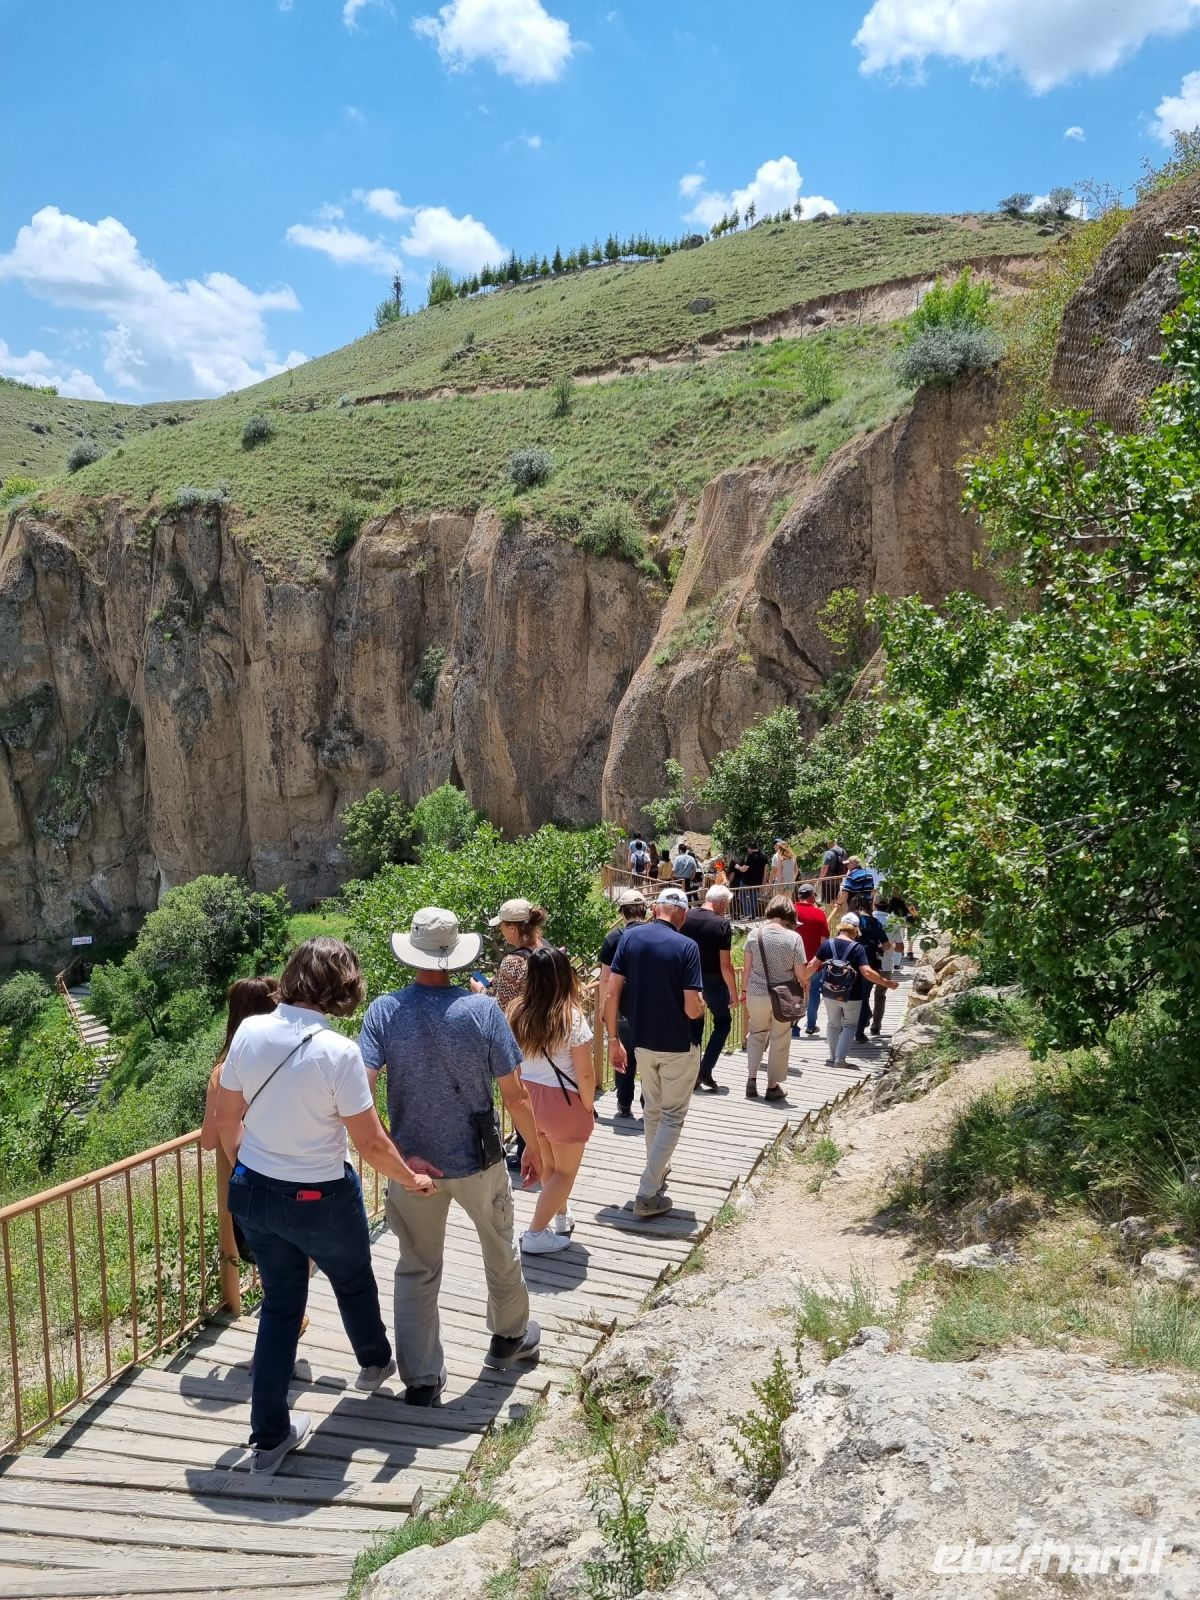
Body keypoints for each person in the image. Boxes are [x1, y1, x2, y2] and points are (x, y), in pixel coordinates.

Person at [214, 939, 435, 1473]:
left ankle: (268, 1437)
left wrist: (260, 1165)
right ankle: (373, 1362)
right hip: (320, 1196)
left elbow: (226, 1121)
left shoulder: (248, 1032)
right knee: (353, 1280)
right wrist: (414, 1179)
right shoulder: (340, 1054)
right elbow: (372, 1145)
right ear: (343, 989)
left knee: (280, 1306)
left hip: (255, 1193)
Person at [360, 908, 544, 1406]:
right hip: (478, 1157)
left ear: (412, 952)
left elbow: (360, 1092)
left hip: (410, 1163)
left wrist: (393, 1155)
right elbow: (515, 1093)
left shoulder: (384, 1011)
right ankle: (509, 1338)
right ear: (455, 954)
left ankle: (421, 1379)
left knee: (416, 1267)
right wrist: (534, 1148)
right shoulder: (482, 1012)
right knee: (499, 1245)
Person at [603, 887, 705, 1218]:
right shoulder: (687, 946)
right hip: (677, 1044)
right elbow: (692, 1008)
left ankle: (658, 1179)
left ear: (655, 908)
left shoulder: (628, 940)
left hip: (641, 1043)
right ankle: (647, 1192)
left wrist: (613, 1039)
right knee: (672, 1116)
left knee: (653, 1113)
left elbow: (611, 993)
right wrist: (702, 1006)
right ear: (683, 914)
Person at [507, 948, 596, 1254]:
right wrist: (587, 1106)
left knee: (549, 1166)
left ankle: (560, 1216)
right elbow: (585, 1073)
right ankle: (535, 1232)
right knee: (566, 1172)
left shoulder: (517, 1010)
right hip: (563, 1101)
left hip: (530, 1098)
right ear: (564, 976)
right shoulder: (570, 1016)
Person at [806, 914, 898, 1068]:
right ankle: (840, 1060)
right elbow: (867, 972)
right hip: (852, 994)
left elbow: (812, 965)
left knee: (833, 1024)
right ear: (856, 930)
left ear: (840, 927)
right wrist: (886, 982)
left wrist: (802, 980)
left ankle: (832, 1057)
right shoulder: (857, 948)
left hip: (829, 992)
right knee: (849, 1026)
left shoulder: (827, 944)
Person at [741, 896, 807, 1101]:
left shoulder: (754, 934)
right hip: (783, 996)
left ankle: (751, 1080)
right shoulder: (794, 938)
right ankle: (772, 1086)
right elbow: (800, 972)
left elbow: (746, 969)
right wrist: (804, 985)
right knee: (780, 1038)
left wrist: (744, 991)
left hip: (756, 993)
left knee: (756, 1034)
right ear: (789, 914)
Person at [597, 889, 648, 1120]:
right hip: (651, 1007)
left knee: (623, 1054)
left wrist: (603, 1009)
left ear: (622, 912)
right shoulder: (654, 933)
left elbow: (605, 978)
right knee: (649, 1056)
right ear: (644, 910)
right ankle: (649, 1101)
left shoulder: (613, 938)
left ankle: (624, 1104)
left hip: (622, 1006)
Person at [682, 886, 738, 1092]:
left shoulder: (686, 916)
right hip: (713, 981)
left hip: (689, 980)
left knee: (694, 1027)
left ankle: (691, 1073)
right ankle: (705, 1069)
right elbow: (725, 964)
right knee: (723, 1023)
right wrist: (733, 991)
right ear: (722, 903)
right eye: (727, 905)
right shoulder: (721, 924)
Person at [851, 893, 892, 1042]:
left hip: (850, 965)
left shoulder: (849, 922)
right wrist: (880, 949)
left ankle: (847, 1028)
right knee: (864, 997)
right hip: (870, 965)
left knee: (850, 996)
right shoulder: (874, 922)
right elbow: (887, 945)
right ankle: (860, 1032)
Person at [792, 882, 831, 1036]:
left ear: (799, 896)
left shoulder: (790, 911)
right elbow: (824, 942)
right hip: (814, 962)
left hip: (793, 962)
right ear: (813, 896)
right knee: (814, 992)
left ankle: (793, 1026)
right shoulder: (820, 914)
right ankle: (811, 1024)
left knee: (795, 993)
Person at [818, 839, 848, 905]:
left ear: (829, 843)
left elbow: (825, 867)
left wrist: (820, 879)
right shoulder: (843, 851)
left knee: (827, 900)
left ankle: (828, 913)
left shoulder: (828, 853)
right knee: (835, 898)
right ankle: (834, 913)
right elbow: (846, 866)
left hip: (828, 880)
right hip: (838, 879)